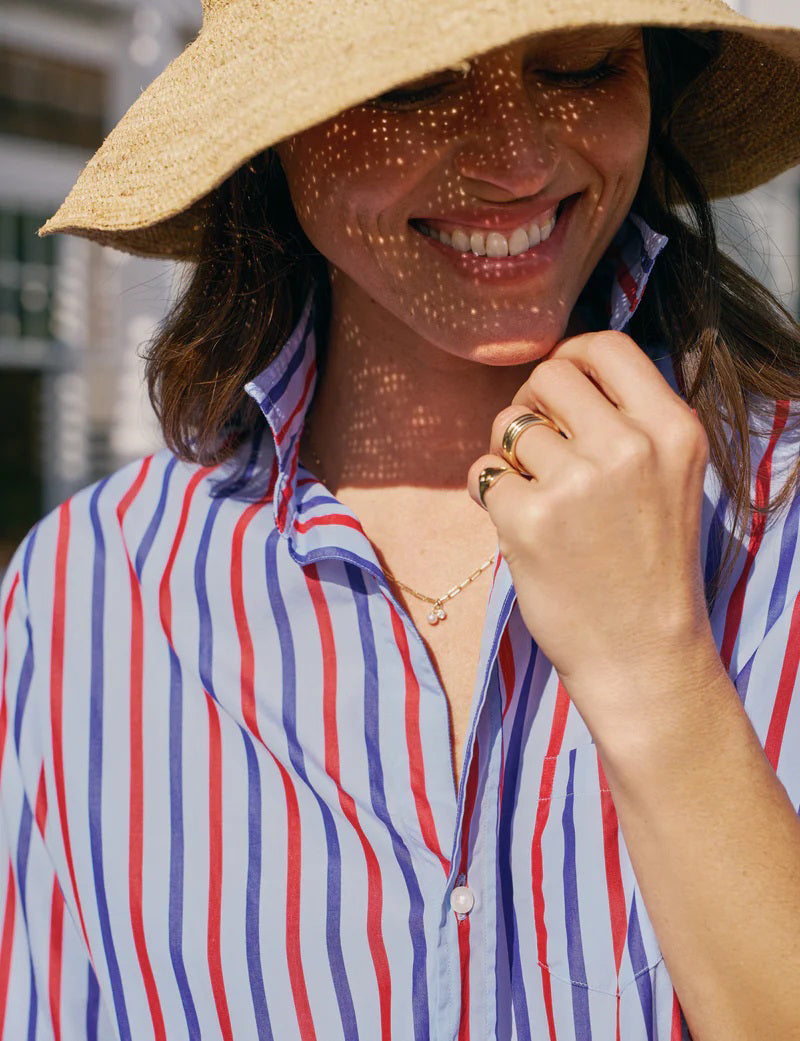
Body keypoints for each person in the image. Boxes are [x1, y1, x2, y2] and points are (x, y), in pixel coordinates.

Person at [2, 0, 800, 1038]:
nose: (516, 164)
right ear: (274, 129)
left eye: (580, 67)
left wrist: (657, 677)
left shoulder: (773, 516)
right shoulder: (88, 599)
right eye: (414, 87)